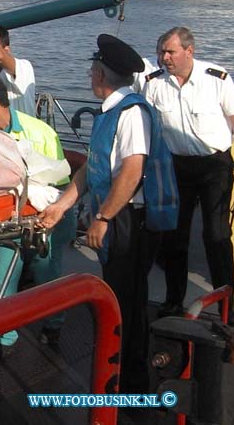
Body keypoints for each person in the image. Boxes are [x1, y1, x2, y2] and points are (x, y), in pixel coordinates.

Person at [40, 34, 170, 392]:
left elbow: (131, 171)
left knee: (127, 298)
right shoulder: (111, 111)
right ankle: (118, 368)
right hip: (117, 215)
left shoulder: (130, 113)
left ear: (100, 75)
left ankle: (132, 381)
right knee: (118, 292)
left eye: (91, 71)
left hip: (129, 219)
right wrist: (61, 206)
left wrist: (103, 218)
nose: (88, 77)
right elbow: (91, 169)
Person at [142, 26, 234, 318]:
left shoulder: (216, 79)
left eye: (170, 52)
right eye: (161, 52)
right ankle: (173, 301)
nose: (164, 58)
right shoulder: (154, 84)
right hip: (176, 167)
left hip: (214, 166)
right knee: (174, 237)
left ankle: (225, 305)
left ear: (189, 51)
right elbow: (148, 128)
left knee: (217, 236)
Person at [0, 76, 73, 353]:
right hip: (7, 215)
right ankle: (4, 338)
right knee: (3, 276)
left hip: (46, 213)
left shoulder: (39, 133)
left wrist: (53, 214)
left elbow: (60, 184)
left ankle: (54, 325)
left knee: (45, 272)